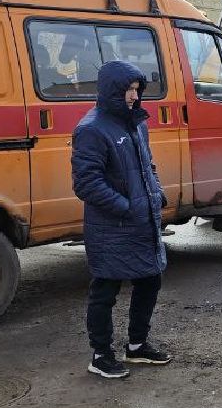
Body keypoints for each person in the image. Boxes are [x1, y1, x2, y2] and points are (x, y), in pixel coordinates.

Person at [71, 60, 173, 379]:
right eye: (128, 90)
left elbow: (148, 166)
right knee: (105, 290)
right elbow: (86, 183)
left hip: (142, 221)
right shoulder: (91, 129)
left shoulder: (136, 124)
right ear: (112, 91)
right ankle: (101, 355)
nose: (133, 96)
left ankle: (137, 345)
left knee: (150, 279)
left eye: (136, 90)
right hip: (112, 227)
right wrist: (126, 206)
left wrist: (156, 193)